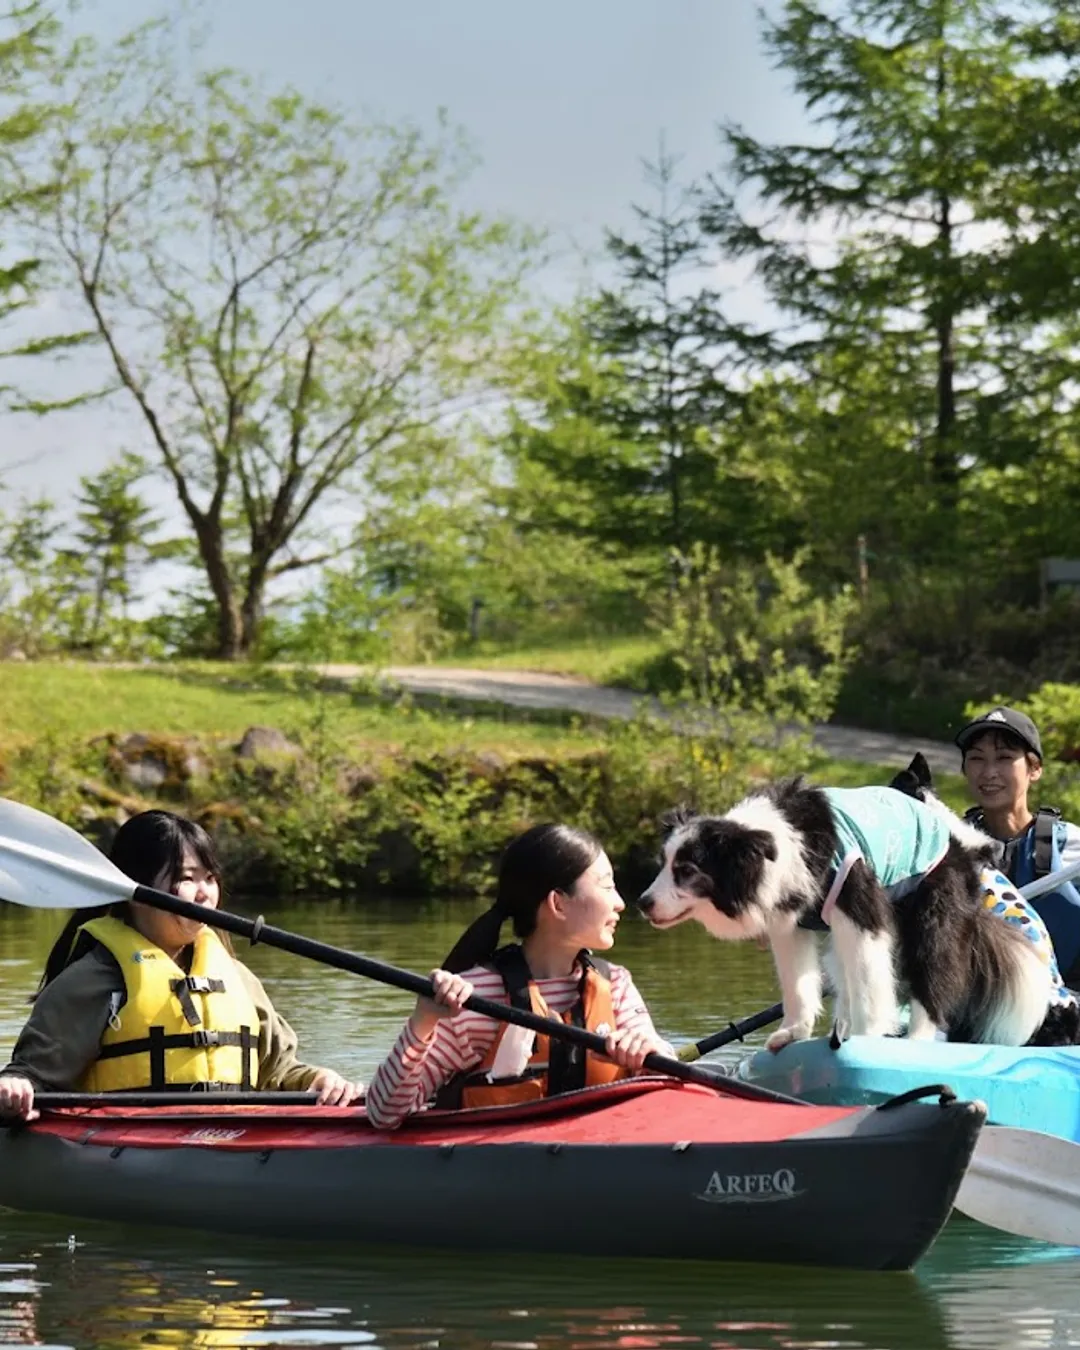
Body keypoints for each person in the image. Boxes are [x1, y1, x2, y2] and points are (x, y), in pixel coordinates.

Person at [0, 810, 363, 1120]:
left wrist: (319, 1080)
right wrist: (16, 1088)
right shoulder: (93, 980)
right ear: (136, 893)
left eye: (210, 877)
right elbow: (34, 1074)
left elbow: (280, 1070)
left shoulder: (237, 978)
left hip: (236, 1136)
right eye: (186, 879)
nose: (204, 892)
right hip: (129, 1142)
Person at [365, 822, 672, 1130]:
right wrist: (424, 1020)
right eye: (607, 886)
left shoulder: (615, 984)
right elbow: (384, 1114)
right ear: (558, 903)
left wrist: (650, 1049)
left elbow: (666, 1081)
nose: (620, 902)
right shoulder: (478, 997)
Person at [955, 705, 1080, 986]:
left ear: (1034, 769)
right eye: (976, 759)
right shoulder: (947, 850)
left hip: (1062, 1009)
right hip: (968, 1013)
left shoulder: (1072, 846)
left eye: (1004, 758)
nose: (989, 772)